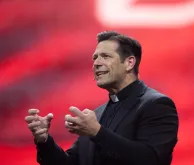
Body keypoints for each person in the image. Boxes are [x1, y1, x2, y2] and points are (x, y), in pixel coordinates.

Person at [25, 31, 179, 165]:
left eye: (105, 56)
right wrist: (44, 141)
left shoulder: (157, 105)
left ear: (129, 63)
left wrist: (97, 133)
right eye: (95, 58)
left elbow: (152, 160)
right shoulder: (97, 115)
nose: (96, 63)